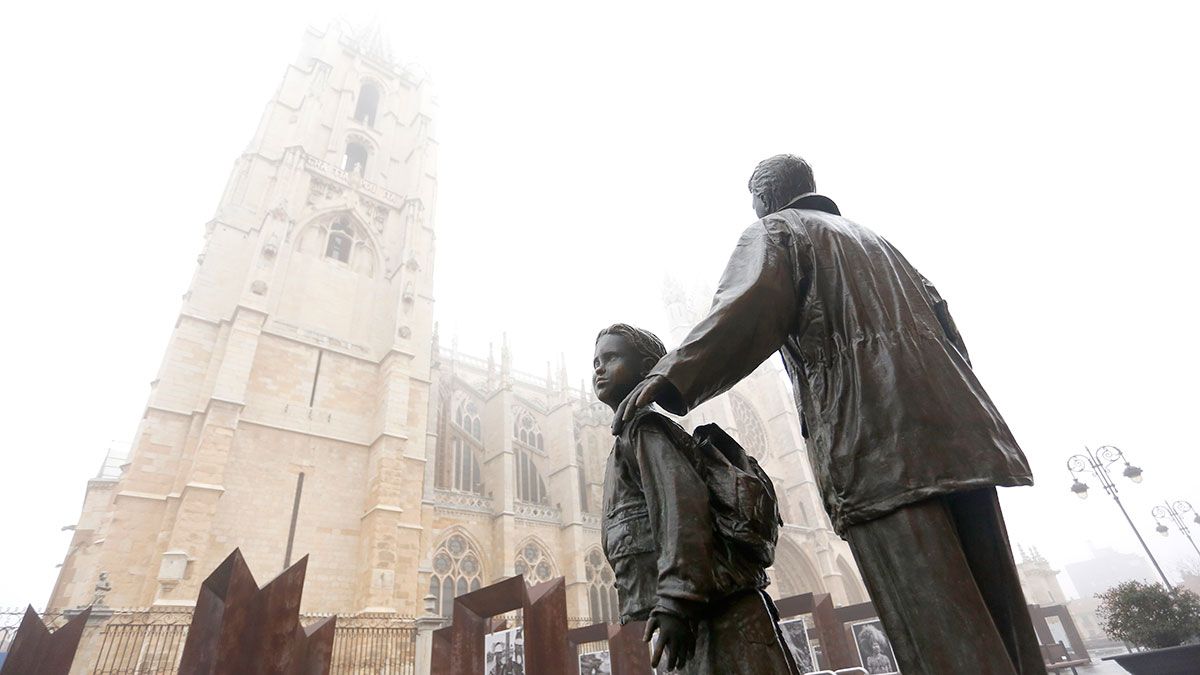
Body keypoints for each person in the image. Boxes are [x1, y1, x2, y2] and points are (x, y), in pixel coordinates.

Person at [614, 155, 1046, 674]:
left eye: (754, 197)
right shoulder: (879, 243)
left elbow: (745, 307)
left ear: (766, 195)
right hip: (964, 443)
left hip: (877, 443)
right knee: (1000, 613)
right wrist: (962, 421)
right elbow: (952, 336)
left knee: (933, 620)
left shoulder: (779, 231)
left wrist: (670, 374)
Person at [593, 324, 799, 674]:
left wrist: (676, 601)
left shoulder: (644, 430)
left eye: (611, 358)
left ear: (647, 369)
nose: (598, 367)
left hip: (712, 613)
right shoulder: (631, 434)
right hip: (705, 615)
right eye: (596, 361)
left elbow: (682, 506)